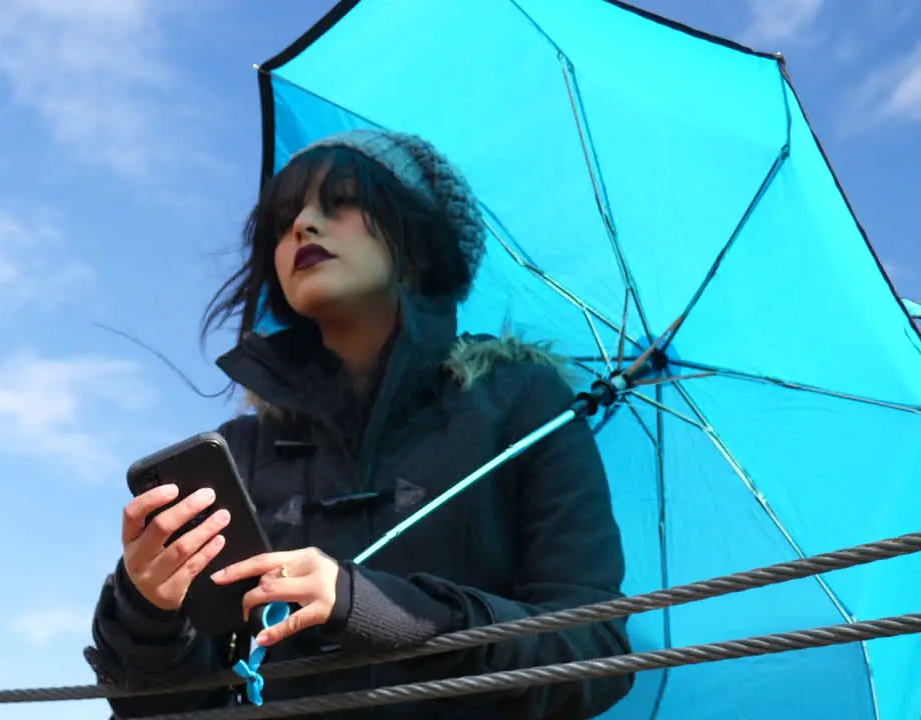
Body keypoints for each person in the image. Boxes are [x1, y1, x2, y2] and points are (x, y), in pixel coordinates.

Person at [85, 129, 634, 719]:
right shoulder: (243, 451)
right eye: (283, 220)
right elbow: (173, 708)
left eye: (341, 201)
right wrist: (147, 613)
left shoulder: (524, 403)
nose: (302, 226)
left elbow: (594, 650)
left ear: (417, 243)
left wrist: (375, 607)